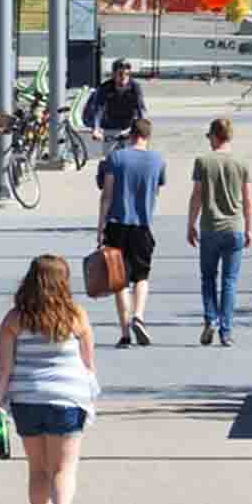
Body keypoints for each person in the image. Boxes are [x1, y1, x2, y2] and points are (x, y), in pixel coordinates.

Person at [0, 255, 98, 504]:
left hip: (27, 399)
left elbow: (3, 368)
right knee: (64, 469)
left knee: (38, 470)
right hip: (68, 398)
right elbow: (89, 363)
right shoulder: (77, 316)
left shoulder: (14, 319)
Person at [94, 117, 166, 345]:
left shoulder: (116, 157)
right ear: (148, 136)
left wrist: (100, 227)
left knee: (119, 281)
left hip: (117, 224)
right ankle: (139, 316)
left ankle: (125, 333)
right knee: (142, 277)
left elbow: (106, 195)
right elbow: (156, 190)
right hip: (142, 224)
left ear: (131, 134)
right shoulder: (158, 160)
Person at [186, 117, 252, 347]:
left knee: (208, 278)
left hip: (210, 227)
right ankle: (226, 330)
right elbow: (247, 200)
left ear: (214, 136)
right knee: (230, 281)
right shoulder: (241, 162)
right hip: (235, 228)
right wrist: (249, 229)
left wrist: (190, 224)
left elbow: (197, 196)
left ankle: (210, 318)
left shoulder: (203, 161)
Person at [80, 58, 149, 145]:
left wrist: (143, 129)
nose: (124, 77)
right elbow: (98, 110)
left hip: (128, 124)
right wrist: (96, 129)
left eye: (127, 74)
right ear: (113, 75)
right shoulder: (105, 88)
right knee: (110, 154)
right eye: (120, 74)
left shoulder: (135, 87)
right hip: (110, 124)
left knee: (131, 153)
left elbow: (141, 108)